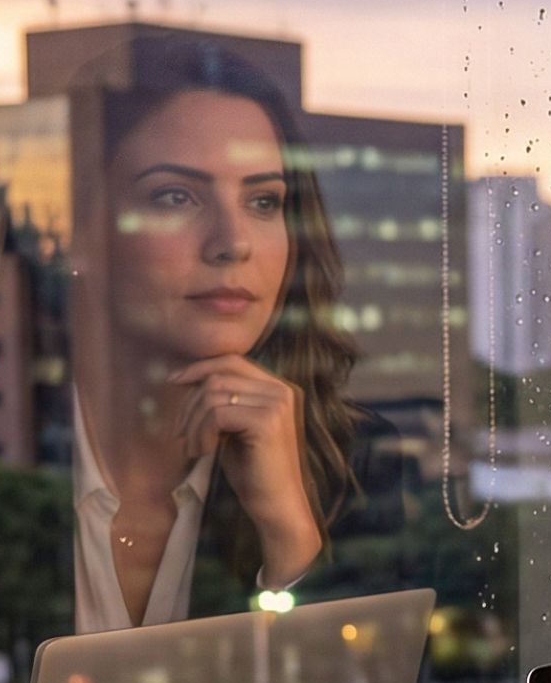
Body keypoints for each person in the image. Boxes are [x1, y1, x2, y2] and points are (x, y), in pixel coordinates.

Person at [68, 40, 414, 630]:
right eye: (175, 196)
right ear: (83, 232)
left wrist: (289, 534)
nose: (233, 242)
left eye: (262, 201)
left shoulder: (359, 467)